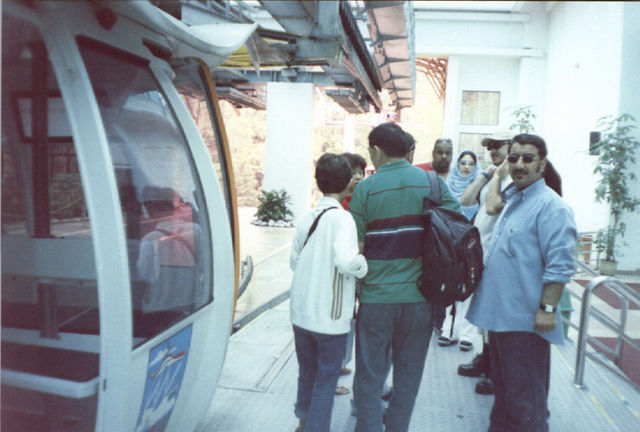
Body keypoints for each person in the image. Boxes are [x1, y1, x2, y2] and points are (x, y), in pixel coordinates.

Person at [349, 122, 460, 432]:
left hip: (376, 298)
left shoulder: (365, 189)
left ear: (376, 151)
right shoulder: (432, 183)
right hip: (420, 298)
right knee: (408, 377)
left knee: (369, 375)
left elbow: (356, 247)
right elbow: (458, 226)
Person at [467, 134, 577, 432]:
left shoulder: (551, 207)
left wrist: (547, 309)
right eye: (513, 158)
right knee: (504, 398)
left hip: (525, 322)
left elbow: (560, 264)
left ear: (542, 164)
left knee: (525, 402)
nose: (519, 164)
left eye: (528, 158)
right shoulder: (515, 199)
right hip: (500, 319)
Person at [289, 153, 368, 432]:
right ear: (347, 183)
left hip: (301, 313)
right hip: (331, 319)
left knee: (307, 373)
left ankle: (303, 421)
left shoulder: (307, 217)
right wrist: (363, 264)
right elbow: (347, 261)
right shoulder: (343, 219)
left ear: (318, 182)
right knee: (326, 378)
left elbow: (295, 262)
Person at [454, 130, 513, 394]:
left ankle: (494, 369)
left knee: (493, 315)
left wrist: (499, 176)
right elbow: (466, 200)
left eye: (499, 146)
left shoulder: (511, 179)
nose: (493, 151)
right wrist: (486, 176)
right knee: (482, 310)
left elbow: (491, 208)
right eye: (490, 147)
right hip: (481, 253)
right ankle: (485, 358)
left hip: (498, 256)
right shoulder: (494, 176)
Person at [436, 150, 481, 350]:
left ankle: (467, 334)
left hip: (473, 243)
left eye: (471, 164)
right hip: (452, 242)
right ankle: (448, 330)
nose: (466, 167)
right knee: (451, 283)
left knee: (471, 285)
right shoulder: (448, 185)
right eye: (463, 163)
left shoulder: (480, 186)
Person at [136, 186, 203, 313]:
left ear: (153, 211)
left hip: (159, 306)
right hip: (190, 303)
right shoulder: (195, 230)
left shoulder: (150, 238)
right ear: (176, 207)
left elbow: (146, 275)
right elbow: (203, 265)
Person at [335, 152, 367, 396]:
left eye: (360, 173)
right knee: (341, 320)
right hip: (345, 272)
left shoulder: (361, 199)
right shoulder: (341, 207)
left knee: (349, 318)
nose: (357, 177)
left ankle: (340, 363)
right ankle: (333, 372)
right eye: (353, 172)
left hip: (354, 271)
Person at [415, 137, 454, 332]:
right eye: (440, 152)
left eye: (448, 153)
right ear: (433, 153)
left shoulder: (459, 175)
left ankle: (440, 324)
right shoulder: (421, 173)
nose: (444, 156)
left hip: (447, 242)